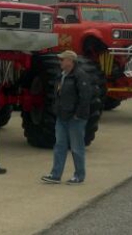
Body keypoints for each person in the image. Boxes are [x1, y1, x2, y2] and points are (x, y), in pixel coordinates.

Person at [41, 50, 90, 185]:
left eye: (62, 59)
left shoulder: (80, 76)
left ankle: (79, 175)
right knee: (59, 146)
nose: (60, 62)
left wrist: (78, 114)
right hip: (61, 117)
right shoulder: (61, 76)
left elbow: (85, 97)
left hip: (75, 119)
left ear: (70, 61)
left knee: (76, 147)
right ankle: (55, 175)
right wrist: (55, 109)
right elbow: (57, 94)